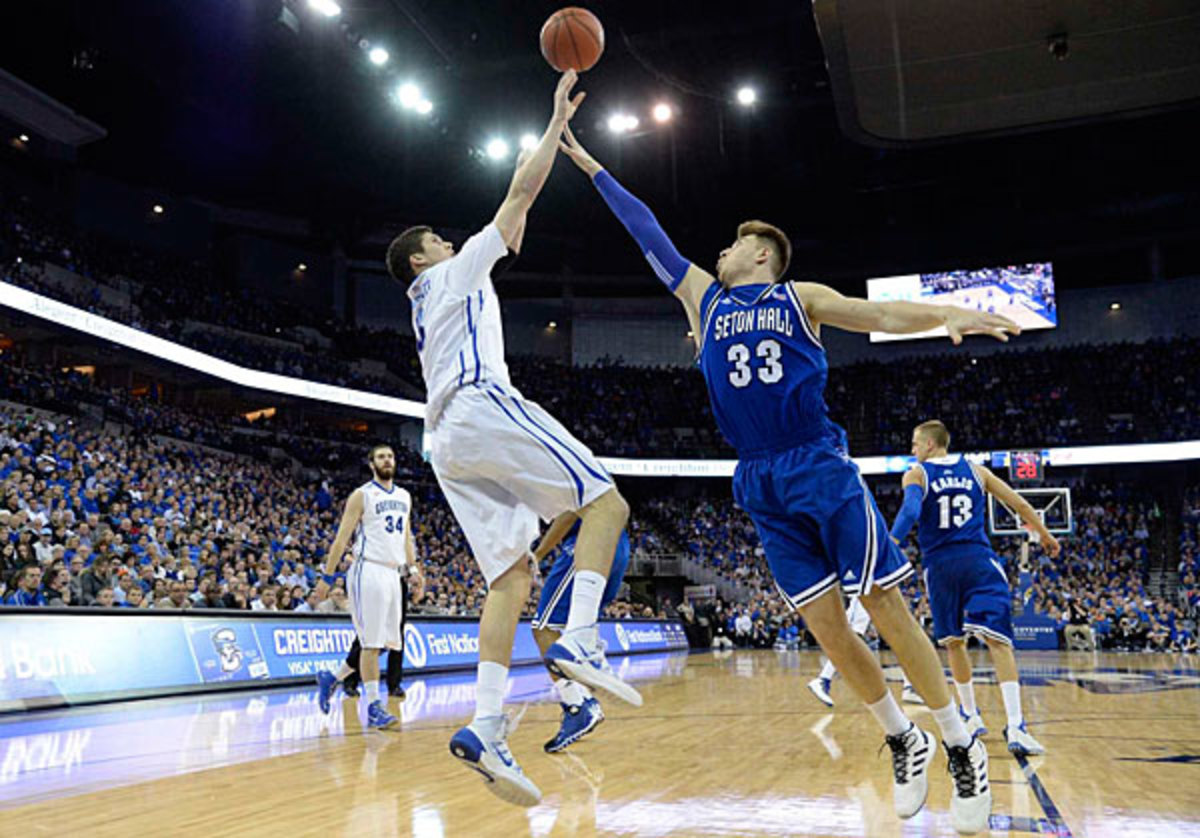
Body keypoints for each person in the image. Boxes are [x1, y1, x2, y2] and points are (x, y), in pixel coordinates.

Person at [557, 129, 1017, 833]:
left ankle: (960, 741)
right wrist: (590, 164)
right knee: (827, 631)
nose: (721, 250)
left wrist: (944, 314)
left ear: (763, 255)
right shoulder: (702, 301)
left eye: (736, 243)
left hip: (817, 462)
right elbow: (645, 230)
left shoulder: (799, 295)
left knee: (885, 606)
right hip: (759, 477)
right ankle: (903, 736)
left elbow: (880, 315)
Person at [386, 72, 636, 807]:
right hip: (480, 405)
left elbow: (515, 225)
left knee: (510, 579)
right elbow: (518, 199)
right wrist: (555, 122)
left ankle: (486, 724)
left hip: (447, 443)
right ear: (423, 259)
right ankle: (583, 639)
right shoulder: (448, 278)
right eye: (437, 237)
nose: (449, 237)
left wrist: (533, 172)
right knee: (607, 502)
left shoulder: (443, 287)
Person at [889, 420, 1061, 757]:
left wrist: (892, 543)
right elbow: (1020, 505)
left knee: (954, 643)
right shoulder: (976, 470)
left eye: (914, 444)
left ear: (928, 445)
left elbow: (910, 510)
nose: (911, 451)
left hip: (940, 566)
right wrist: (1044, 533)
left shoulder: (917, 474)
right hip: (979, 560)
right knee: (999, 642)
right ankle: (1016, 726)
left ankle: (970, 716)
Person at [314, 444, 419, 731]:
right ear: (372, 463)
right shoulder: (361, 495)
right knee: (371, 644)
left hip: (393, 574)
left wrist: (414, 570)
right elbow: (341, 538)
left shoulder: (404, 496)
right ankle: (374, 707)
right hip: (367, 570)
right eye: (382, 457)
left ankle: (332, 678)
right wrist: (327, 576)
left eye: (391, 456)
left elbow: (406, 537)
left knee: (385, 643)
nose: (388, 460)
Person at [529, 511, 631, 754]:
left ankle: (578, 704)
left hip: (586, 543)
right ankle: (593, 665)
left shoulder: (559, 473)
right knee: (575, 624)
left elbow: (571, 509)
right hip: (617, 541)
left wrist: (539, 553)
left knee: (544, 627)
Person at [807, 596, 923, 707]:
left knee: (903, 634)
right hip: (864, 589)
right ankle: (823, 679)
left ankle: (910, 687)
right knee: (851, 636)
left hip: (882, 589)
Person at [341, 572, 421, 699]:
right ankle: (350, 680)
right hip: (378, 580)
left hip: (398, 583)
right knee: (368, 633)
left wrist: (415, 576)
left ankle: (394, 685)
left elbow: (410, 561)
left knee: (397, 636)